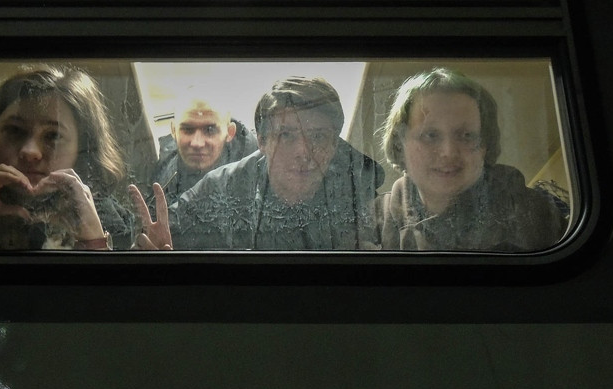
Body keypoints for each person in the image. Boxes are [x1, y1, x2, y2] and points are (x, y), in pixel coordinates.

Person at [130, 76, 384, 250]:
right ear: (262, 142)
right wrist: (154, 255)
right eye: (286, 135)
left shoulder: (357, 192)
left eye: (318, 137)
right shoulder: (222, 187)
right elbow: (158, 238)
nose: (304, 151)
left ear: (334, 144)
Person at [0, 65, 134, 250]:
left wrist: (94, 242)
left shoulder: (112, 222)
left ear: (83, 149)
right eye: (15, 130)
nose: (30, 151)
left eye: (53, 136)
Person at [376, 67, 567, 251]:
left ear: (485, 145)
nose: (448, 152)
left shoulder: (537, 216)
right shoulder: (372, 222)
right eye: (430, 135)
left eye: (466, 135)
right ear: (400, 144)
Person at [149, 87, 257, 210]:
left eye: (210, 130)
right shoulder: (162, 174)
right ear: (174, 131)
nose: (197, 143)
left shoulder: (259, 173)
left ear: (230, 132)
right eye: (187, 129)